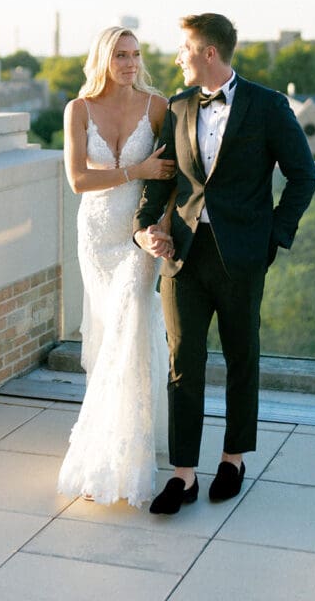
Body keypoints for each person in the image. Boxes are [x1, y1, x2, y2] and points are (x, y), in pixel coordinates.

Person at [134, 13, 315, 515]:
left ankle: (233, 459)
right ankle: (183, 474)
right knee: (183, 364)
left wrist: (273, 238)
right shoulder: (176, 107)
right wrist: (143, 228)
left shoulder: (268, 106)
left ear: (208, 53)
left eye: (183, 49)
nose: (177, 58)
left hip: (242, 258)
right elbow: (162, 179)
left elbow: (304, 176)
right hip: (183, 257)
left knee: (241, 359)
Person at [57, 26, 176, 507]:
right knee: (109, 335)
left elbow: (171, 178)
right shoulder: (78, 110)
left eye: (135, 54)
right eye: (120, 54)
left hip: (136, 237)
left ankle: (122, 454)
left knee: (131, 323)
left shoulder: (157, 105)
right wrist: (135, 170)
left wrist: (158, 228)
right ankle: (114, 438)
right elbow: (78, 179)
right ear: (104, 59)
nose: (129, 62)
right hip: (96, 236)